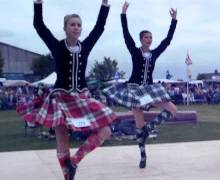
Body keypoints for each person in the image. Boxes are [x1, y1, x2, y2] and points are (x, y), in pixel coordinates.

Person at [17, 0, 115, 179]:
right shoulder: (57, 46)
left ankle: (75, 161)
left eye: (79, 25)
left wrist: (105, 4)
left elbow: (99, 27)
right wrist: (38, 3)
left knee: (106, 130)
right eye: (72, 25)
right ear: (65, 27)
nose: (76, 28)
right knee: (62, 138)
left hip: (82, 98)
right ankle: (67, 176)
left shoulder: (85, 46)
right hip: (60, 98)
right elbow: (39, 26)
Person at [104, 1, 178, 168]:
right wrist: (123, 14)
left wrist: (173, 21)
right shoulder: (134, 51)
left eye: (151, 37)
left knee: (173, 109)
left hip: (150, 89)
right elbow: (125, 34)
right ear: (141, 39)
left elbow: (167, 41)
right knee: (139, 123)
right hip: (134, 89)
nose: (149, 40)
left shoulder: (153, 53)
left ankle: (150, 127)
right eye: (146, 37)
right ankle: (142, 154)